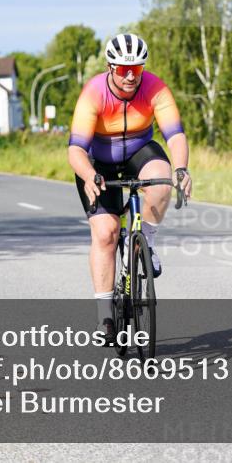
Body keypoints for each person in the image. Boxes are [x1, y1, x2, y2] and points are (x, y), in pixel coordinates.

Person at [67, 33, 193, 337]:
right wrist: (88, 175)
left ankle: (145, 242)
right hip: (98, 160)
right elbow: (76, 149)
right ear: (111, 67)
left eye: (135, 69)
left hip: (139, 150)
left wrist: (181, 169)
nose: (129, 76)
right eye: (123, 69)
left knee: (161, 181)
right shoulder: (93, 93)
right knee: (107, 233)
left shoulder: (155, 88)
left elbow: (174, 134)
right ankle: (105, 317)